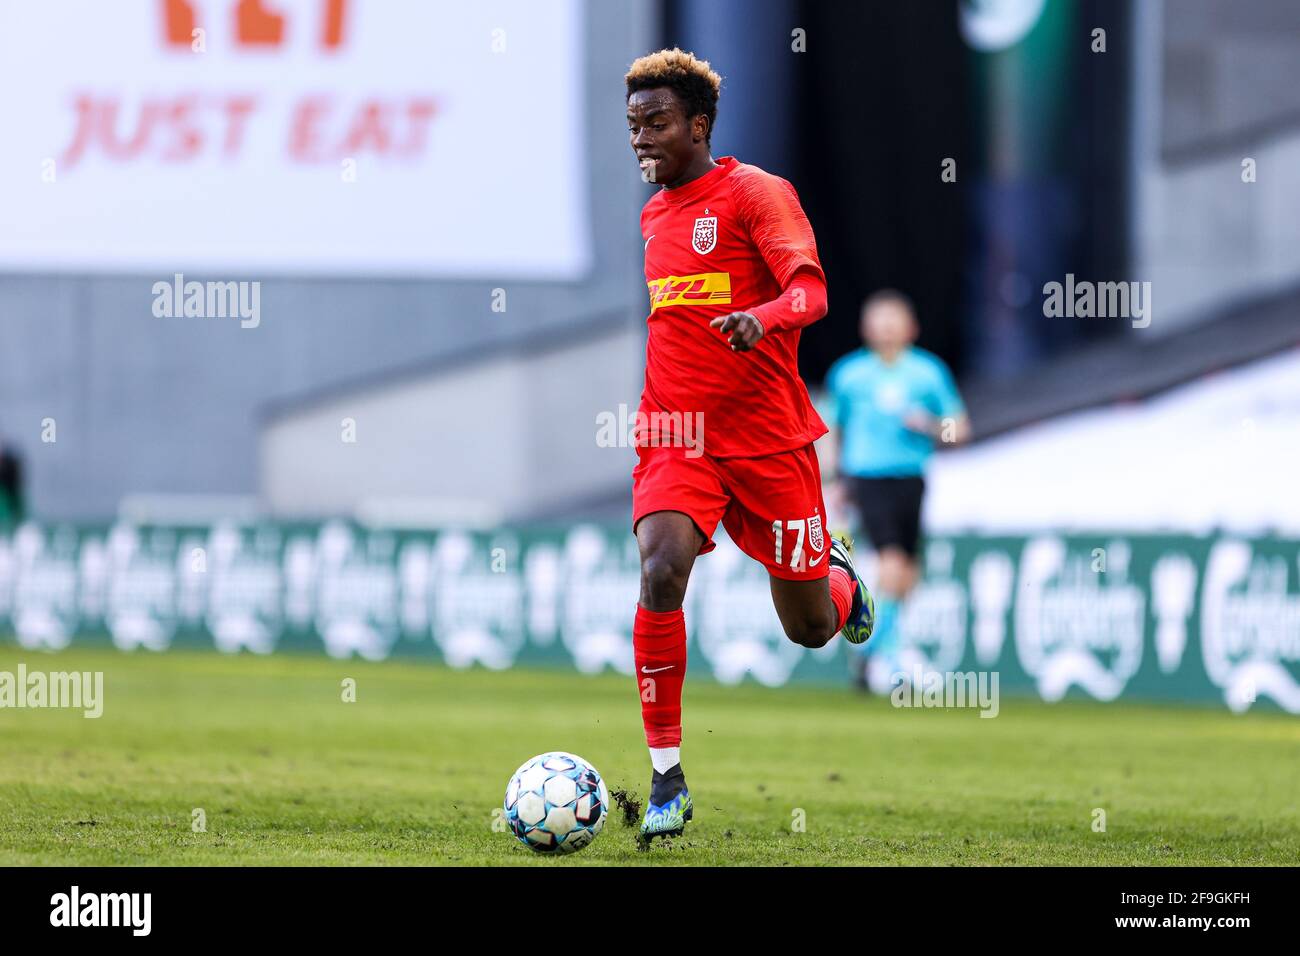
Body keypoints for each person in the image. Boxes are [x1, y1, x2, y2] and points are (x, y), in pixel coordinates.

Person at [624, 48, 875, 845]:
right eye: (633, 127)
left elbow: (813, 291)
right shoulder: (654, 211)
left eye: (657, 124)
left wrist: (759, 319)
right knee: (662, 565)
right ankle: (667, 774)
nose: (642, 140)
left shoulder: (755, 193)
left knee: (809, 629)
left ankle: (835, 575)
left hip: (767, 439)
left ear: (699, 124)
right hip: (675, 432)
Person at [825, 291, 969, 693]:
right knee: (889, 561)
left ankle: (872, 654)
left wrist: (930, 426)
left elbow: (959, 428)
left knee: (907, 573)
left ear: (911, 327)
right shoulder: (849, 374)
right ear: (865, 327)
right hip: (867, 478)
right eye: (879, 319)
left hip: (911, 478)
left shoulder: (927, 373)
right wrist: (836, 479)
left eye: (894, 319)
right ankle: (886, 657)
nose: (886, 327)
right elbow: (833, 429)